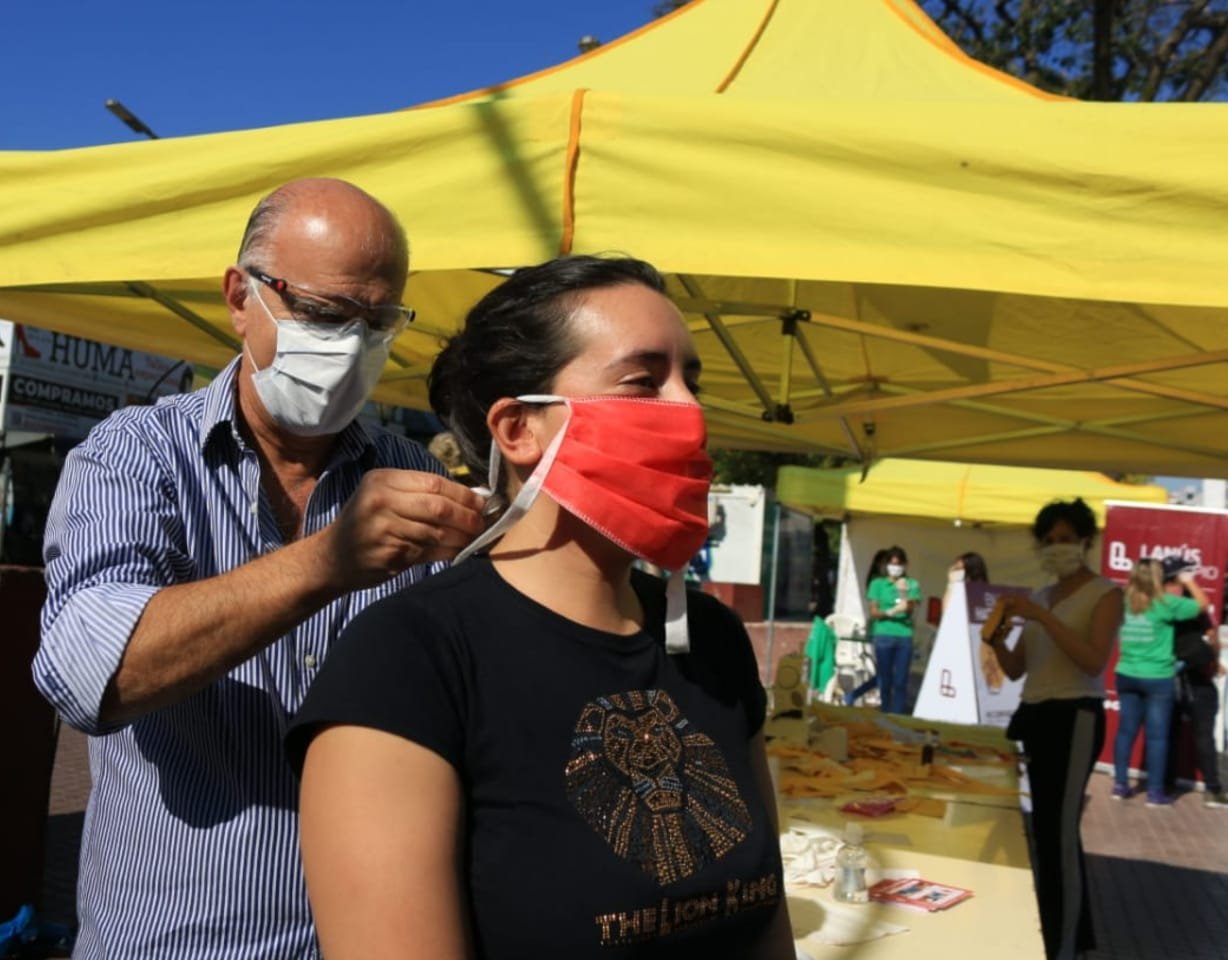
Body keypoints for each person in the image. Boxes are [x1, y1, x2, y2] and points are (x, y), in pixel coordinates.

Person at [287, 255, 793, 959]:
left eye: (692, 380)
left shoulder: (712, 639)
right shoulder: (409, 659)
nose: (690, 411)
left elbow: (768, 929)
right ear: (518, 430)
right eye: (644, 381)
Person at [32, 179, 486, 958]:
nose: (350, 345)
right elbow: (89, 675)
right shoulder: (135, 456)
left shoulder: (412, 474)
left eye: (377, 322)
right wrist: (330, 560)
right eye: (323, 312)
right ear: (241, 298)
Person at [984, 498, 1123, 960]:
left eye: (1065, 539)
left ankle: (1062, 944)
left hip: (1075, 716)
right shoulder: (1042, 595)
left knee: (1060, 833)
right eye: (1048, 542)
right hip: (1037, 715)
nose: (1056, 549)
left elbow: (1092, 660)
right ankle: (1068, 931)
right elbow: (1020, 667)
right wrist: (997, 640)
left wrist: (1042, 617)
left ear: (1085, 540)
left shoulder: (1104, 593)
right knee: (1045, 830)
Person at [1112, 557, 1209, 806]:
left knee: (1125, 732)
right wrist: (1189, 581)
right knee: (1157, 737)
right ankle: (1155, 793)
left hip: (1126, 673)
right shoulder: (1166, 603)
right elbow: (1202, 604)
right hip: (1157, 677)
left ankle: (1120, 785)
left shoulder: (1124, 601)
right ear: (1158, 578)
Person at [1160, 560, 1227, 808]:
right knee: (1169, 732)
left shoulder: (1179, 599)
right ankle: (1170, 783)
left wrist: (1215, 657)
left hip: (1193, 673)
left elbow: (1210, 632)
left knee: (1200, 733)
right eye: (1184, 574)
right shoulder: (1170, 601)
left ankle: (1211, 787)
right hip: (1172, 673)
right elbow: (1204, 607)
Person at [865, 545, 920, 714]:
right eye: (892, 564)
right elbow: (874, 611)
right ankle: (885, 711)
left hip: (904, 635)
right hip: (883, 635)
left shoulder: (912, 583)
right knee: (885, 678)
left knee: (901, 680)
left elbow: (910, 608)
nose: (895, 568)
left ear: (905, 565)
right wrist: (890, 611)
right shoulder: (877, 583)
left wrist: (903, 594)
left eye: (899, 564)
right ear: (886, 565)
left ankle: (897, 714)